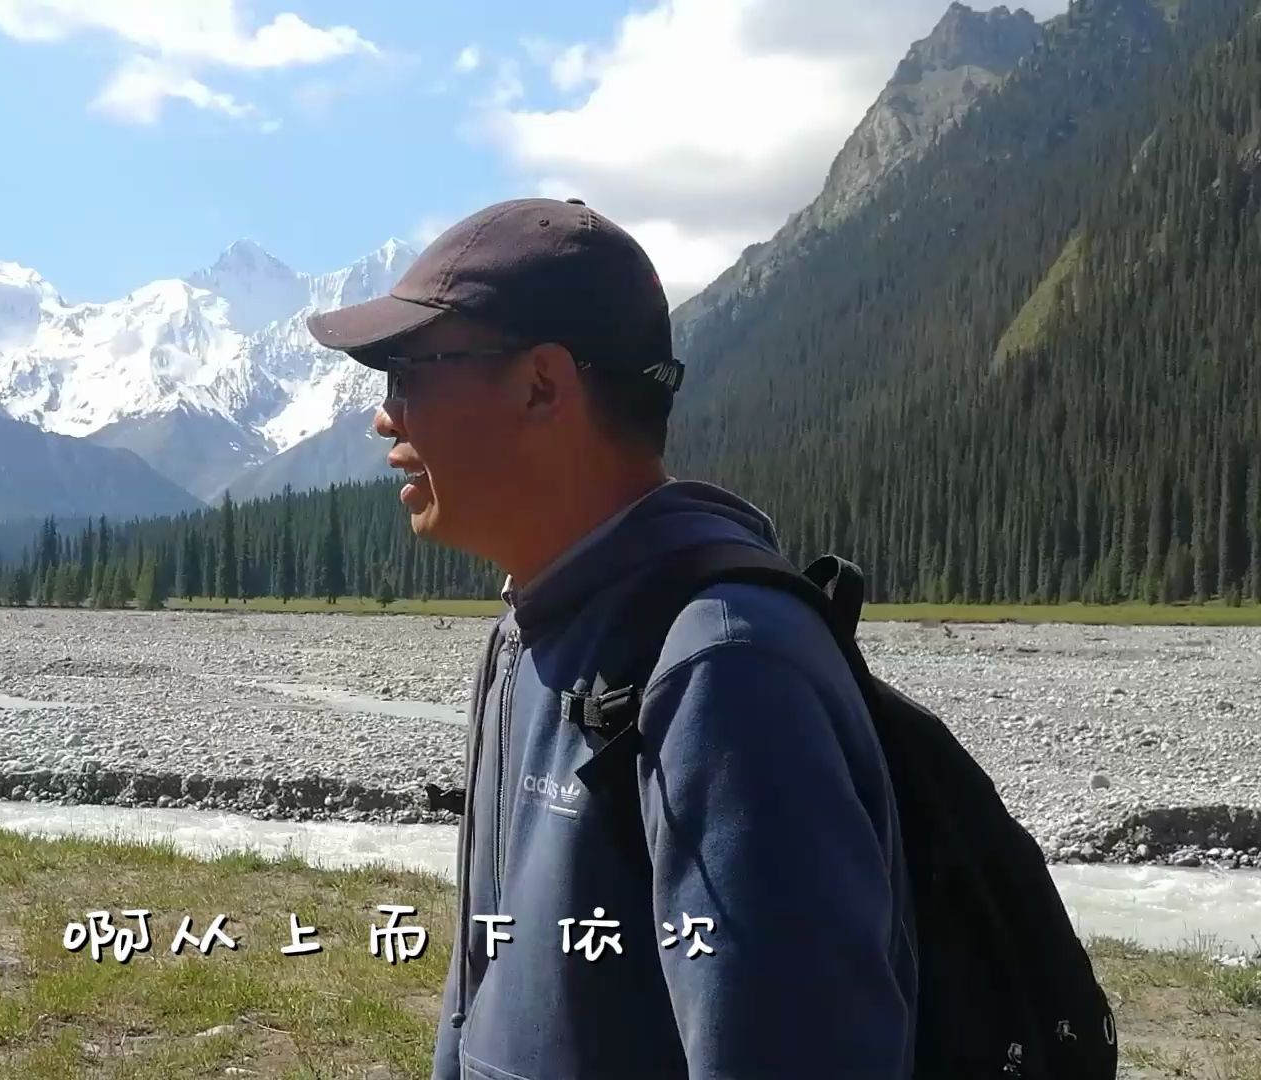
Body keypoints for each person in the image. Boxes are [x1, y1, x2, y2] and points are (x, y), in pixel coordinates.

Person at [306, 198, 917, 1079]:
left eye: (407, 372)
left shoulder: (727, 673)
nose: (385, 419)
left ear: (541, 386)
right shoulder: (537, 629)